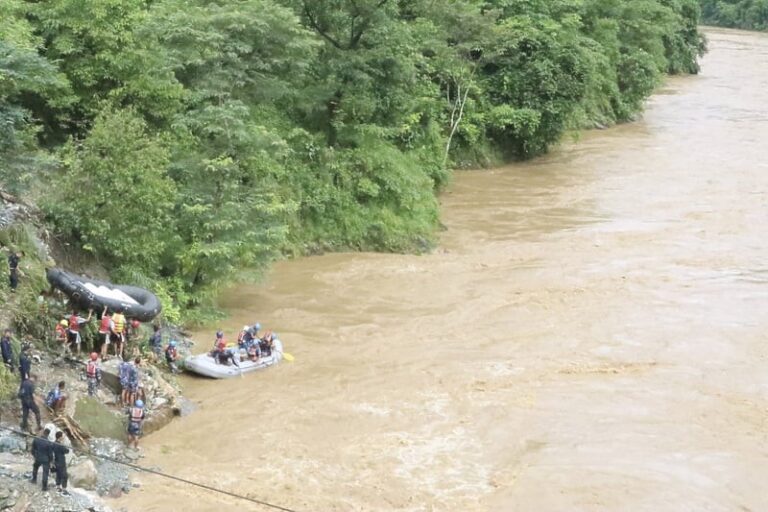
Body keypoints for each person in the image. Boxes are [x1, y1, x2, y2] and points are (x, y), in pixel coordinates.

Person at [52, 431, 70, 496]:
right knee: (65, 476)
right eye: (62, 436)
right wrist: (64, 444)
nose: (63, 437)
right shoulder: (60, 445)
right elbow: (67, 451)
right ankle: (64, 489)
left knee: (58, 474)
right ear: (60, 437)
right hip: (61, 462)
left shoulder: (53, 443)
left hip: (56, 461)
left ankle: (58, 486)